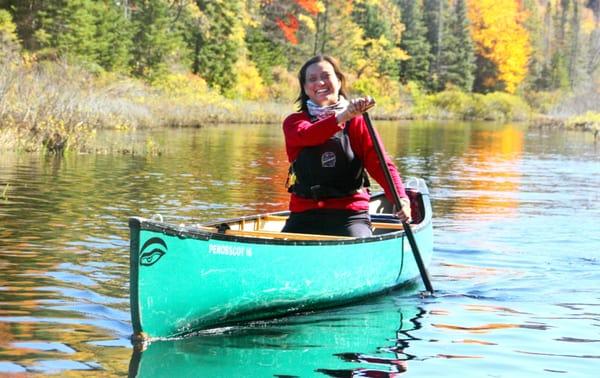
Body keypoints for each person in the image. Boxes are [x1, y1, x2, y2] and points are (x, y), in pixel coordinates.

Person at [281, 54, 411, 237]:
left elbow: (380, 164)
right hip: (304, 214)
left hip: (350, 215)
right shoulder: (294, 123)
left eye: (326, 76)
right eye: (312, 79)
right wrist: (344, 115)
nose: (319, 83)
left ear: (339, 81)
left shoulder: (357, 122)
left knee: (360, 244)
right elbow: (309, 135)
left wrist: (401, 199)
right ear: (305, 89)